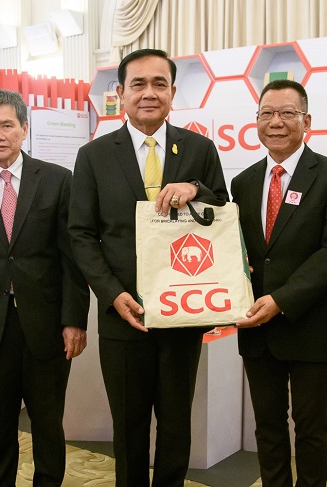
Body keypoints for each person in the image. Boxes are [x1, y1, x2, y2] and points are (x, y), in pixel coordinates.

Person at [68, 49, 228, 487]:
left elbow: (221, 207)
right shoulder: (94, 156)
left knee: (176, 422)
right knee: (129, 425)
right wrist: (111, 293)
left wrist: (195, 189)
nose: (149, 93)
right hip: (123, 314)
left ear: (173, 92)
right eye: (138, 84)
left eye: (160, 83)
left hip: (183, 312)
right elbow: (81, 234)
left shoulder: (199, 149)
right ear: (121, 93)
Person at [0, 88, 90, 487]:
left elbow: (72, 259)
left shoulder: (57, 180)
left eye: (7, 125)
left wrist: (74, 320)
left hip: (47, 326)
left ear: (24, 128)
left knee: (48, 424)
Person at [230, 79, 327, 487]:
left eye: (287, 113)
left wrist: (281, 299)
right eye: (267, 113)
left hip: (313, 325)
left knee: (311, 428)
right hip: (259, 329)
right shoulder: (243, 182)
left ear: (307, 121)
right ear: (256, 121)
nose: (276, 122)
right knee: (267, 427)